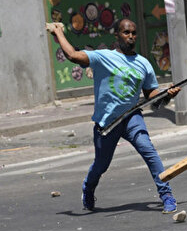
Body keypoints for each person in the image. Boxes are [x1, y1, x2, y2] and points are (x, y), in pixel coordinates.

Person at [49, 20, 180, 213]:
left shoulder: (143, 63)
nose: (131, 36)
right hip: (107, 122)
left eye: (134, 33)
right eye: (126, 32)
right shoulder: (103, 57)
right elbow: (74, 56)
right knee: (101, 165)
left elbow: (150, 94)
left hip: (131, 117)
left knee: (148, 151)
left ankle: (166, 194)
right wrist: (58, 32)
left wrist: (165, 93)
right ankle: (88, 187)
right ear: (117, 36)